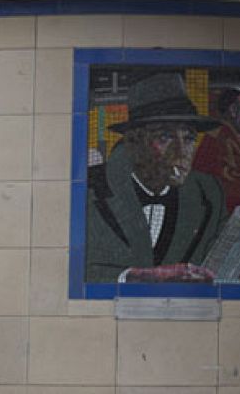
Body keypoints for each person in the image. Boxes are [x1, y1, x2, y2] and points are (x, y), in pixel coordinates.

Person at [86, 72, 226, 283]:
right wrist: (135, 277)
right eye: (165, 137)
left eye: (189, 138)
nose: (181, 152)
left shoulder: (208, 192)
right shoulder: (91, 187)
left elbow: (220, 263)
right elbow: (71, 268)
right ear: (136, 144)